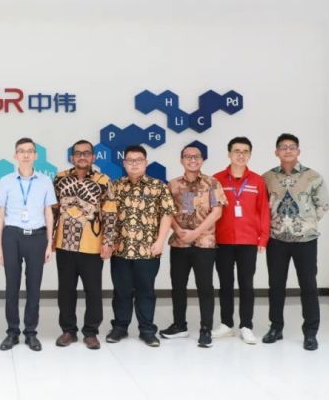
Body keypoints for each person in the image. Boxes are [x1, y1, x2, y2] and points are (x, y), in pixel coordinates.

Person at [262, 133, 329, 351]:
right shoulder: (267, 178)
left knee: (308, 285)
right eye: (283, 147)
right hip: (276, 239)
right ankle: (276, 327)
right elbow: (261, 207)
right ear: (276, 152)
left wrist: (306, 223)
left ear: (298, 151)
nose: (288, 150)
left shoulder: (313, 176)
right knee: (276, 285)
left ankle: (310, 332)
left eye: (292, 147)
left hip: (305, 240)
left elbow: (323, 204)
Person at [106, 145, 175, 347]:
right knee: (121, 292)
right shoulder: (115, 185)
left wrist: (160, 241)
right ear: (124, 163)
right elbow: (108, 216)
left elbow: (167, 214)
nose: (134, 164)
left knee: (146, 292)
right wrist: (109, 242)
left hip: (148, 250)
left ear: (146, 162)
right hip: (120, 250)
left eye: (138, 160)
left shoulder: (158, 186)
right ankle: (120, 328)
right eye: (130, 160)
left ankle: (147, 330)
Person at [52, 140, 116, 350]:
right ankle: (68, 331)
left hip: (92, 246)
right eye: (78, 153)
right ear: (72, 157)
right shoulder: (60, 178)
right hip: (65, 245)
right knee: (66, 290)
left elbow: (110, 213)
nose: (82, 156)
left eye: (86, 153)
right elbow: (52, 210)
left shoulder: (104, 181)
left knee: (93, 291)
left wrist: (108, 242)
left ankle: (90, 332)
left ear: (93, 157)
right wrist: (50, 239)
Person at [159, 144, 226, 348]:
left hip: (204, 243)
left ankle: (206, 329)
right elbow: (167, 212)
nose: (192, 160)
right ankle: (179, 325)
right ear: (181, 160)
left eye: (196, 156)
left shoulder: (212, 183)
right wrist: (178, 230)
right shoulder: (172, 185)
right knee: (178, 286)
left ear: (202, 160)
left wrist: (196, 233)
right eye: (188, 157)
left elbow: (217, 212)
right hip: (179, 243)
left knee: (205, 287)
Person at [0, 137, 57, 351]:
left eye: (30, 151)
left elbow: (48, 213)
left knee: (34, 287)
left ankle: (31, 332)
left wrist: (49, 244)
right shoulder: (6, 181)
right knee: (11, 286)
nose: (26, 154)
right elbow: (0, 214)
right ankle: (12, 332)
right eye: (21, 151)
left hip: (37, 237)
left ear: (35, 155)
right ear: (15, 155)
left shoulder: (45, 181)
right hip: (11, 236)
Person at [212, 137, 270, 345]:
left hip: (248, 241)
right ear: (229, 154)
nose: (241, 155)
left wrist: (263, 237)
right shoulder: (216, 179)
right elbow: (211, 210)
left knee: (246, 284)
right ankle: (226, 324)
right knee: (225, 284)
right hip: (222, 240)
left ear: (250, 155)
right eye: (236, 151)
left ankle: (246, 325)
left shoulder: (257, 181)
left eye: (245, 151)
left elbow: (263, 211)